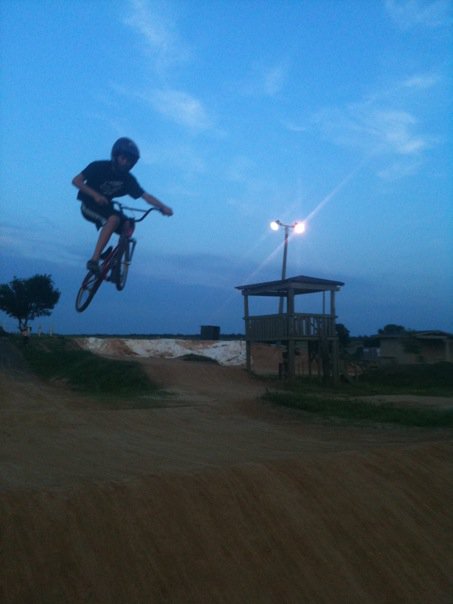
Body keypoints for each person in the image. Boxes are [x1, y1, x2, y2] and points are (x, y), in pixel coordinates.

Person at [72, 137, 173, 273]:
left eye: (129, 161)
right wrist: (95, 195)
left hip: (106, 207)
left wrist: (162, 207)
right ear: (116, 156)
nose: (125, 162)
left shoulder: (128, 179)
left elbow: (145, 196)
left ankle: (114, 261)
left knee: (128, 224)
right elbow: (76, 181)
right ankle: (94, 261)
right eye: (123, 158)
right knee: (114, 219)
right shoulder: (99, 167)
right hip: (88, 205)